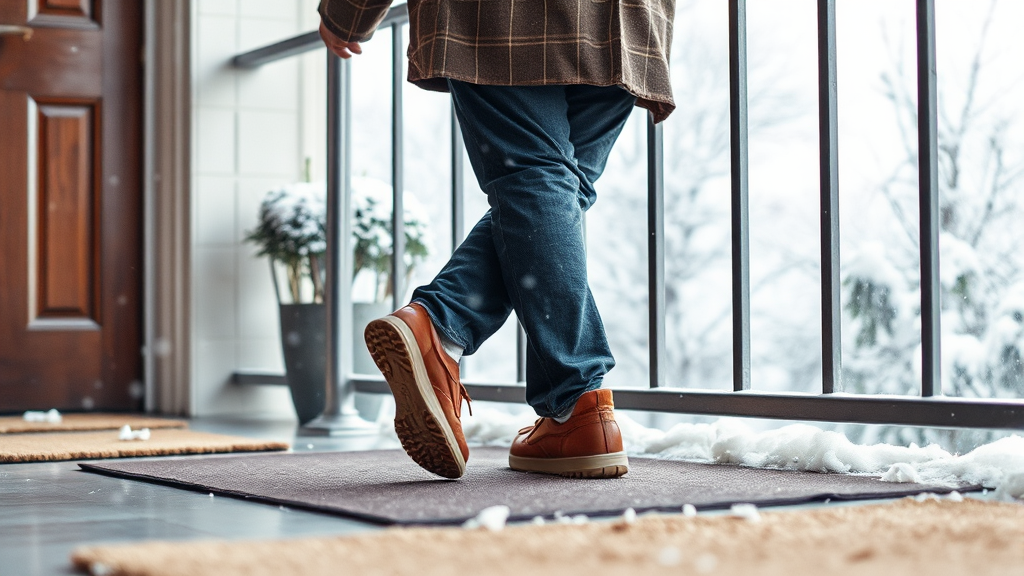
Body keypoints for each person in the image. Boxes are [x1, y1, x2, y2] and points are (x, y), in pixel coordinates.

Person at [318, 0, 675, 480]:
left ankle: (555, 389)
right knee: (555, 189)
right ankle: (572, 414)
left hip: (505, 14)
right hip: (624, 20)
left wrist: (348, 12)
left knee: (537, 180)